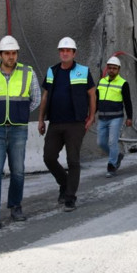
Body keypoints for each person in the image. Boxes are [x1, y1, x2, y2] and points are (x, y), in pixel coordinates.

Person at [0, 35, 41, 233]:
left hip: (18, 129)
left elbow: (35, 98)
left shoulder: (28, 73)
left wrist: (21, 113)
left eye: (14, 53)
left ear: (17, 54)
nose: (11, 57)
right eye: (7, 53)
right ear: (0, 54)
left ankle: (15, 207)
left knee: (18, 170)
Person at [38, 37, 96, 212]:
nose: (64, 53)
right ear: (59, 52)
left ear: (74, 53)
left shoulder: (83, 71)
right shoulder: (52, 71)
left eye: (68, 50)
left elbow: (92, 95)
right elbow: (45, 96)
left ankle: (70, 197)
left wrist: (91, 116)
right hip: (55, 122)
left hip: (75, 124)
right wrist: (41, 119)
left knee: (73, 160)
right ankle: (65, 183)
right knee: (48, 157)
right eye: (62, 50)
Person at [96, 56, 133, 178]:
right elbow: (96, 101)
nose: (111, 70)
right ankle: (117, 156)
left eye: (114, 68)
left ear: (118, 69)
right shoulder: (101, 82)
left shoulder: (123, 83)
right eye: (110, 68)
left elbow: (127, 102)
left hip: (116, 118)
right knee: (101, 142)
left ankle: (111, 166)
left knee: (112, 141)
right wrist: (90, 115)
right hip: (102, 117)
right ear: (107, 68)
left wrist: (129, 117)